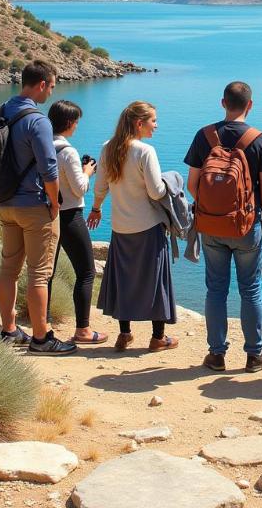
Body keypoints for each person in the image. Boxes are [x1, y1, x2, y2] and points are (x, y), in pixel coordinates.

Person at [184, 81, 262, 373]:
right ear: (250, 105)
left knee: (216, 289)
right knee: (250, 289)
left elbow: (192, 184)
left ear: (222, 102)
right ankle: (254, 355)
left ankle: (216, 354)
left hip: (211, 226)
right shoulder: (259, 139)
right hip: (247, 226)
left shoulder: (205, 136)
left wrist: (211, 211)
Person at [0, 60, 77, 355]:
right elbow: (49, 168)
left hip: (5, 203)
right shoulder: (39, 121)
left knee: (8, 269)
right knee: (39, 273)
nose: (51, 92)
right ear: (41, 84)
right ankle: (41, 338)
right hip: (33, 206)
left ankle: (9, 330)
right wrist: (54, 202)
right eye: (51, 86)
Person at [88, 101, 177, 351]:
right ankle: (158, 337)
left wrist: (96, 208)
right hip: (148, 226)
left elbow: (100, 187)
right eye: (153, 121)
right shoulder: (145, 151)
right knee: (156, 281)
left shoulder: (108, 148)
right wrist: (172, 181)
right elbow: (157, 192)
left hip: (120, 227)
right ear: (139, 123)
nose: (156, 126)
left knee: (124, 279)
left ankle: (124, 334)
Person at [47, 99, 107, 344]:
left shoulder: (41, 145)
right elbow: (80, 189)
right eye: (77, 122)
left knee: (45, 272)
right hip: (70, 215)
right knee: (86, 272)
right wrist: (88, 171)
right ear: (70, 123)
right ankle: (82, 330)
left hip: (46, 214)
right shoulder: (68, 151)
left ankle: (43, 324)